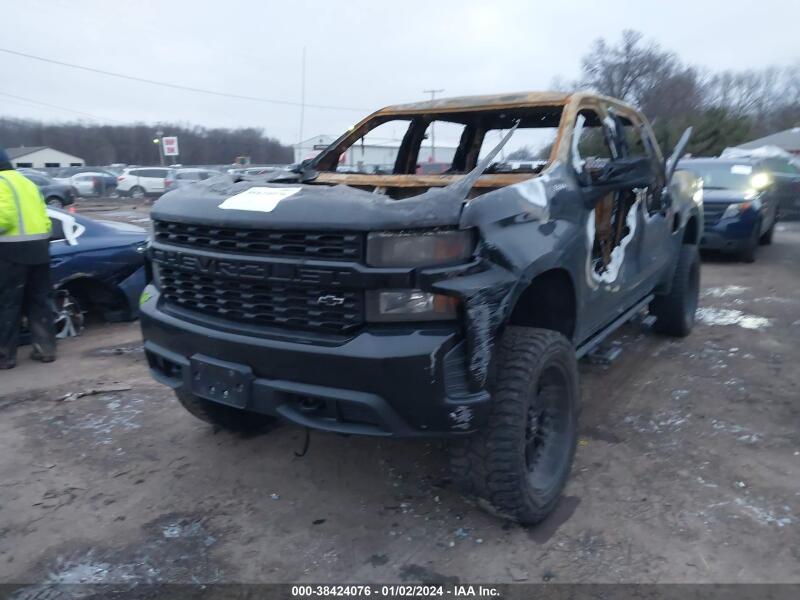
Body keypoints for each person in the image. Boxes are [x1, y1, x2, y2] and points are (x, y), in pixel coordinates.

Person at [0, 147, 56, 369]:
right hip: (40, 250)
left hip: (10, 252)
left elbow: (4, 219)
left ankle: (5, 356)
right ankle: (46, 350)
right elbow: (45, 218)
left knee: (8, 304)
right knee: (39, 301)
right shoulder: (27, 183)